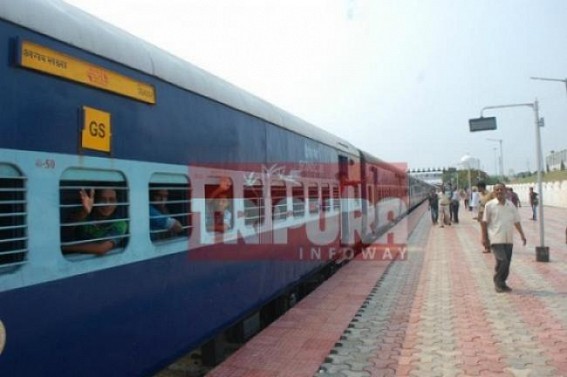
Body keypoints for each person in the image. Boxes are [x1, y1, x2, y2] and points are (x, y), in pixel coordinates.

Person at [481, 183, 527, 293]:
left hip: (508, 238)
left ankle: (502, 283)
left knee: (505, 262)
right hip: (495, 238)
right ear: (494, 192)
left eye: (501, 189)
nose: (499, 192)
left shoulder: (510, 205)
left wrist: (522, 235)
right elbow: (484, 222)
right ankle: (497, 281)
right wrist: (484, 238)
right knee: (503, 261)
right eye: (497, 190)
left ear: (505, 191)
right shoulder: (490, 205)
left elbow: (516, 221)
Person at [62, 188, 128, 255]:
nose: (107, 204)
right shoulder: (83, 215)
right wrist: (84, 212)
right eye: (102, 200)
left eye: (112, 200)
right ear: (95, 201)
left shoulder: (119, 223)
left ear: (117, 203)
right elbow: (65, 231)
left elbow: (101, 248)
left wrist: (64, 247)